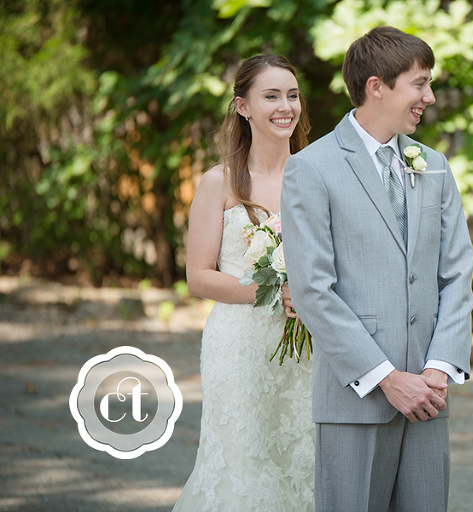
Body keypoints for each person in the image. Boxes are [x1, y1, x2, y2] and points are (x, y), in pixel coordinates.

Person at [281, 26, 473, 512]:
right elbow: (312, 290)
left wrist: (437, 368)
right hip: (356, 399)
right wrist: (387, 378)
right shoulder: (313, 167)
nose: (429, 97)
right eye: (420, 83)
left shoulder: (434, 165)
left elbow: (457, 272)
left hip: (428, 400)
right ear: (376, 86)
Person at [173, 54, 314, 512]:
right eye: (271, 95)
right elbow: (199, 276)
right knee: (242, 466)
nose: (285, 106)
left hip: (309, 346)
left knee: (303, 459)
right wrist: (275, 287)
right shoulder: (220, 182)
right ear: (242, 107)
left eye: (292, 95)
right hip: (238, 346)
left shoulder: (317, 177)